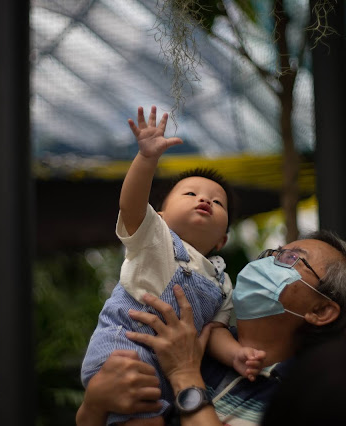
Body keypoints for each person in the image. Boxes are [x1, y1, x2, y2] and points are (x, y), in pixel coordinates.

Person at [80, 106, 265, 425]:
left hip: (173, 367)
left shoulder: (221, 279)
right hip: (126, 348)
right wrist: (147, 159)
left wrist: (235, 354)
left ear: (222, 240)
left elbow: (215, 330)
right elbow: (131, 205)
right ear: (160, 218)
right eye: (190, 193)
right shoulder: (156, 240)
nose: (204, 200)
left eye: (217, 202)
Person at [76, 230, 346, 426]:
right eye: (273, 252)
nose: (270, 260)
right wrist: (94, 406)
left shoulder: (310, 400)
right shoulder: (193, 341)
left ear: (321, 310)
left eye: (291, 258)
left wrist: (184, 375)